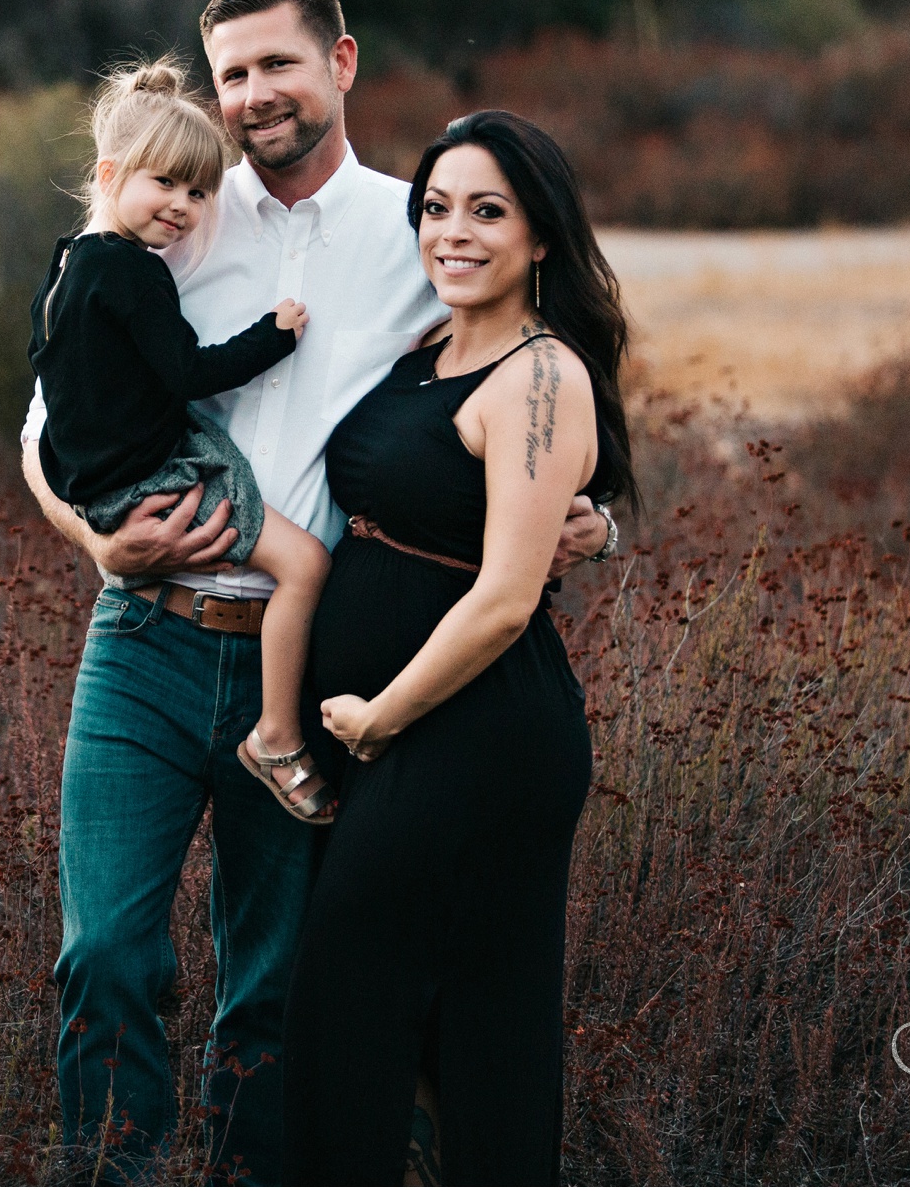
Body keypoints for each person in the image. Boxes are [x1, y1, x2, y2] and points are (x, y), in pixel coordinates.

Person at [22, 0, 615, 1181]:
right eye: (232, 73)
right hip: (144, 637)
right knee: (105, 959)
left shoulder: (423, 228)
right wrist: (95, 542)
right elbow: (44, 430)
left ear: (340, 62)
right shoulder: (173, 214)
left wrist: (585, 513)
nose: (254, 95)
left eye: (277, 65)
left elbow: (517, 384)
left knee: (278, 987)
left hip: (321, 657)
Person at [282, 110, 638, 1186]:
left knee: (357, 999)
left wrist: (377, 717)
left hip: (475, 734)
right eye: (436, 208)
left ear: (542, 237)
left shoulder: (541, 377)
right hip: (388, 731)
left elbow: (502, 601)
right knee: (469, 1024)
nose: (454, 232)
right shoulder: (424, 350)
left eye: (488, 211)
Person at [28, 58, 335, 823]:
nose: (182, 207)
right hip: (151, 485)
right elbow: (189, 372)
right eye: (163, 183)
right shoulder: (135, 272)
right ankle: (278, 734)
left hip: (100, 485)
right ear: (109, 172)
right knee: (303, 563)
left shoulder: (67, 265)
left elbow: (55, 386)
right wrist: (277, 335)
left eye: (199, 192)